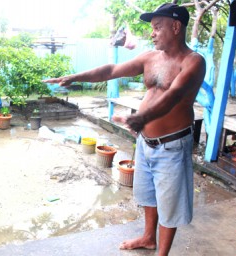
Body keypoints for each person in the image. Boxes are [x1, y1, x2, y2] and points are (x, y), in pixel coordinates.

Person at [43, 3, 206, 256]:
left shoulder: (193, 61)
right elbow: (111, 70)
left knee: (170, 205)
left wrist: (141, 118)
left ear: (176, 27)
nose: (152, 33)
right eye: (152, 28)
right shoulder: (150, 58)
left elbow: (173, 96)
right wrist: (75, 77)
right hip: (145, 142)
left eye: (157, 27)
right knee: (149, 194)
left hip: (172, 145)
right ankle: (148, 238)